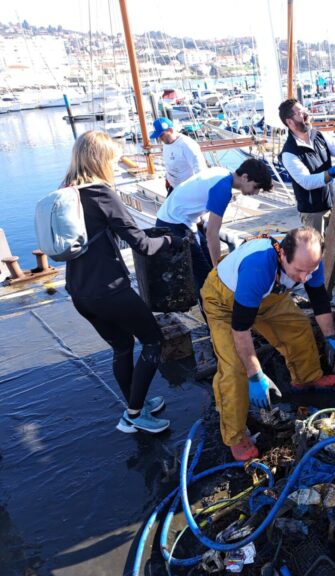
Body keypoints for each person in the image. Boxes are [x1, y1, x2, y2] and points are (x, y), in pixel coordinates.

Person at [62, 130, 178, 434]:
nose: (114, 166)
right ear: (101, 161)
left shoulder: (66, 193)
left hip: (79, 292)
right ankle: (134, 415)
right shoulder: (101, 194)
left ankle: (134, 403)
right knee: (154, 341)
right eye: (112, 160)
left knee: (123, 346)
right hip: (110, 289)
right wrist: (169, 239)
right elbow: (142, 244)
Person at [201, 226, 335, 461]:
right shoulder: (257, 268)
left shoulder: (310, 260)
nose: (305, 278)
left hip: (270, 299)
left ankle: (307, 377)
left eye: (311, 271)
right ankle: (235, 436)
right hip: (225, 303)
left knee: (298, 329)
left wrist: (330, 338)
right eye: (299, 271)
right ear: (283, 255)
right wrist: (255, 373)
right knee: (234, 368)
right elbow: (241, 329)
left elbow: (319, 301)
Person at [278, 98, 335, 289]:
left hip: (333, 200)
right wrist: (332, 172)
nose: (306, 114)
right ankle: (317, 282)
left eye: (305, 110)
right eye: (300, 113)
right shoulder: (289, 153)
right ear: (289, 122)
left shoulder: (319, 136)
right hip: (313, 210)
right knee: (314, 247)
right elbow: (306, 181)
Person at [155, 159, 273, 295]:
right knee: (206, 277)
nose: (256, 192)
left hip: (178, 219)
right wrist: (219, 271)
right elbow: (212, 234)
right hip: (173, 225)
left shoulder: (222, 173)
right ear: (245, 177)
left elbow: (198, 195)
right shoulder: (223, 189)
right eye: (256, 187)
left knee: (207, 265)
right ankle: (211, 313)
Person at [150, 116, 207, 192]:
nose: (160, 139)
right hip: (174, 186)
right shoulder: (166, 143)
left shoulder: (187, 145)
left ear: (170, 130)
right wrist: (167, 178)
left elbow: (200, 169)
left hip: (188, 188)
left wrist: (200, 191)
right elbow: (169, 163)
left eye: (161, 135)